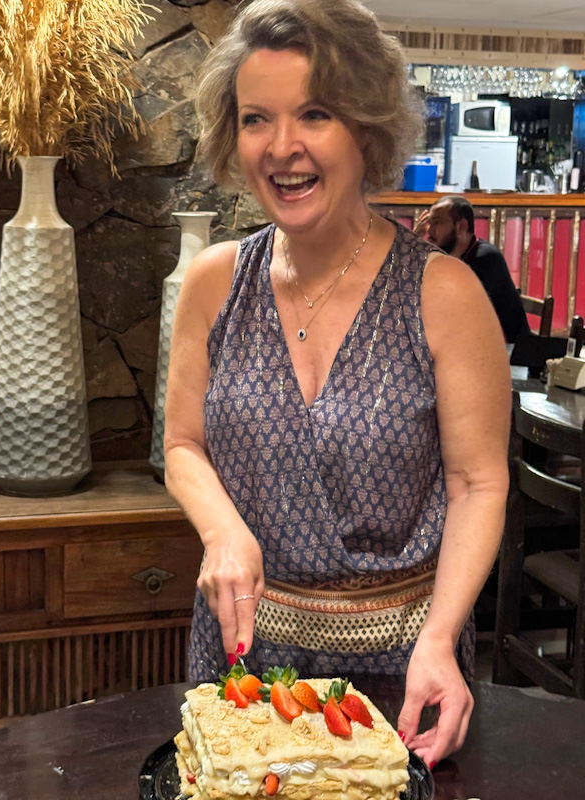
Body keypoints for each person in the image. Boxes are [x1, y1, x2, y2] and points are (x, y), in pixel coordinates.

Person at [164, 0, 510, 769]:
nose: (282, 147)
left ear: (365, 127)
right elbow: (183, 445)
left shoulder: (445, 293)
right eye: (256, 119)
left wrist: (442, 638)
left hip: (402, 671)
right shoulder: (213, 283)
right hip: (245, 663)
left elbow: (479, 483)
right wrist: (223, 532)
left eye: (315, 114)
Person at [415, 196, 530, 342]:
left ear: (461, 226)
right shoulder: (450, 257)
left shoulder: (485, 257)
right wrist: (414, 245)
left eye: (437, 222)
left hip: (508, 350)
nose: (429, 230)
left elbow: (463, 314)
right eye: (429, 223)